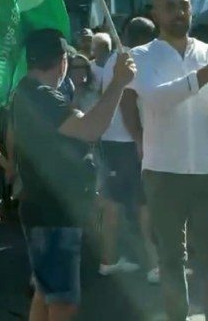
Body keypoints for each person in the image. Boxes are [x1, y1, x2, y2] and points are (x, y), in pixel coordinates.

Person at [121, 0, 208, 321]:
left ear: (192, 10)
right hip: (163, 172)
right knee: (171, 258)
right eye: (170, 6)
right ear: (156, 14)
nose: (178, 12)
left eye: (184, 6)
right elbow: (156, 99)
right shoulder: (142, 56)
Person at [11, 28, 137, 321]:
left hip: (46, 210)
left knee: (46, 293)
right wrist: (118, 84)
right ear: (61, 61)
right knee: (63, 301)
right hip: (53, 213)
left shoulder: (30, 91)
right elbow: (90, 128)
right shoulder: (39, 96)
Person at [98, 17, 160, 281]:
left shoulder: (114, 58)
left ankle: (109, 260)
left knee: (114, 202)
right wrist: (138, 138)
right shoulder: (134, 60)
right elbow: (127, 102)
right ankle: (155, 265)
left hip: (111, 142)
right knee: (144, 203)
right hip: (127, 143)